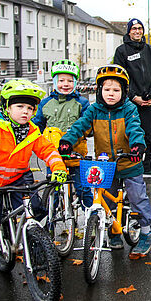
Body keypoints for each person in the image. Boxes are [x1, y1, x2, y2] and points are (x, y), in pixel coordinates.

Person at [0, 80, 68, 299]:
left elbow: (48, 150)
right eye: (20, 106)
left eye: (30, 108)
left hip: (19, 177)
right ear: (7, 107)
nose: (26, 112)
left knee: (36, 210)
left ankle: (39, 252)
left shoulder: (32, 131)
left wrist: (58, 167)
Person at [58, 65, 151, 256]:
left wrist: (137, 145)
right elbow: (80, 126)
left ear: (124, 92)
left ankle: (146, 232)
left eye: (116, 90)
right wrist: (67, 141)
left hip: (129, 161)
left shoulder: (129, 109)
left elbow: (135, 129)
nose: (111, 94)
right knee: (105, 200)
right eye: (107, 89)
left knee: (137, 198)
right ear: (99, 90)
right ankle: (113, 231)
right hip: (105, 165)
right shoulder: (94, 110)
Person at [33, 60, 92, 209]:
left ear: (75, 82)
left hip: (76, 152)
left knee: (82, 188)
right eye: (61, 80)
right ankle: (51, 221)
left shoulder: (82, 103)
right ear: (54, 81)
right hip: (52, 153)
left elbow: (88, 125)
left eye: (70, 81)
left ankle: (91, 218)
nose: (65, 84)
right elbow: (37, 125)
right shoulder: (45, 103)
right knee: (54, 189)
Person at [114, 18, 151, 179]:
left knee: (147, 135)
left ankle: (147, 167)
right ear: (129, 31)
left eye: (140, 28)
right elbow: (119, 78)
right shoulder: (122, 51)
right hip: (130, 103)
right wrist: (134, 97)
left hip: (148, 103)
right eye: (134, 28)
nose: (137, 31)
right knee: (129, 135)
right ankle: (130, 168)